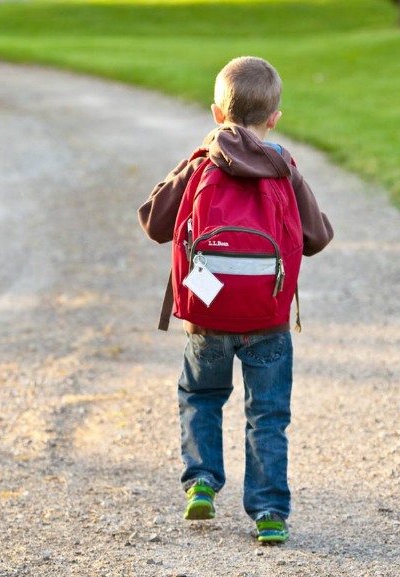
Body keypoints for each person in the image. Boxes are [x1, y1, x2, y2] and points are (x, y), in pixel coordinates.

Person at [138, 56, 333, 543]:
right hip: (268, 319)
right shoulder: (283, 166)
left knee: (201, 397)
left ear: (216, 114)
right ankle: (269, 513)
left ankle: (202, 482)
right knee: (267, 415)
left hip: (207, 317)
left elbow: (154, 222)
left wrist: (194, 158)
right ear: (274, 118)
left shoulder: (203, 163)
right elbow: (317, 237)